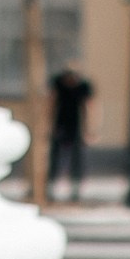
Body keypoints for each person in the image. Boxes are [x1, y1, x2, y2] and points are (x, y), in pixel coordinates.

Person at [48, 64, 96, 204]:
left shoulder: (83, 87)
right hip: (60, 125)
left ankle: (76, 188)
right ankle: (52, 185)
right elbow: (51, 103)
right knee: (56, 157)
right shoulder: (58, 84)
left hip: (77, 126)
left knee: (78, 158)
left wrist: (89, 130)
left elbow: (90, 107)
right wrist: (49, 125)